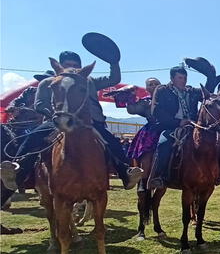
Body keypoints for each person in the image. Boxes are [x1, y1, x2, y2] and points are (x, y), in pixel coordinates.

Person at [0, 51, 142, 192]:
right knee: (33, 137)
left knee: (111, 141)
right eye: (68, 65)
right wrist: (56, 115)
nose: (72, 67)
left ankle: (125, 173)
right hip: (56, 120)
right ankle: (17, 172)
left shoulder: (90, 81)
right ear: (60, 67)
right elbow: (40, 104)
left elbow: (114, 79)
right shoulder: (46, 83)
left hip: (89, 122)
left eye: (76, 65)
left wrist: (114, 62)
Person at [147, 65, 219, 190]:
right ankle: (159, 176)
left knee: (214, 142)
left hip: (193, 127)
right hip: (171, 127)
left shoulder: (191, 91)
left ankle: (216, 173)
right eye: (180, 78)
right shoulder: (162, 90)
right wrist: (178, 122)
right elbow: (156, 111)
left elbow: (207, 93)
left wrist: (210, 76)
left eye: (185, 78)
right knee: (164, 144)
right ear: (172, 78)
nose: (183, 80)